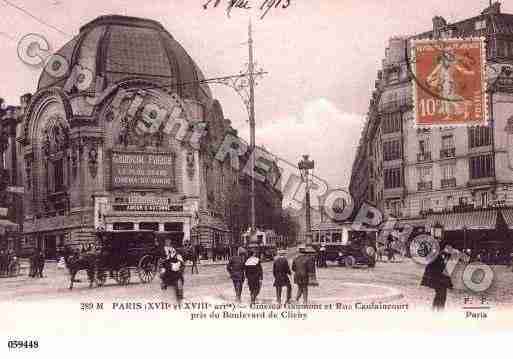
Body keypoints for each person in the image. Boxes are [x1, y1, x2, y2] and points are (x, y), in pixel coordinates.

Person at [421, 241, 453, 311]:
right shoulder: (436, 256)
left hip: (438, 279)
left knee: (440, 295)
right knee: (441, 295)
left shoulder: (440, 255)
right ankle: (437, 311)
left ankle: (435, 310)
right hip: (437, 279)